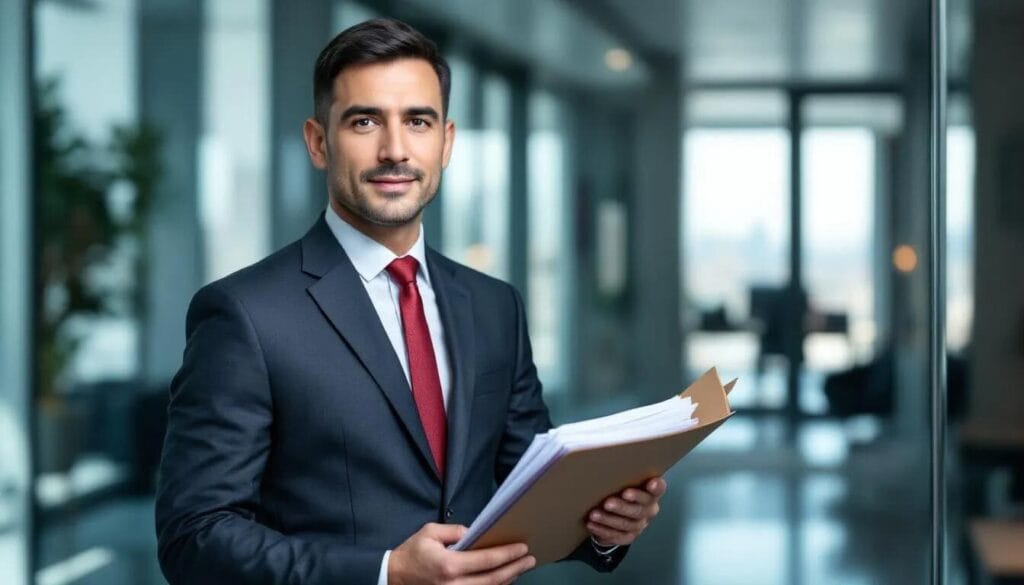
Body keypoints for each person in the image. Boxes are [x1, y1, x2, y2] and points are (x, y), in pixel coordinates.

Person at [155, 17, 666, 585]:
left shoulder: (495, 307)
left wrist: (602, 526)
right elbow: (194, 536)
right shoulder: (245, 314)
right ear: (319, 142)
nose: (394, 149)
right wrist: (387, 572)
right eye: (365, 121)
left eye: (417, 121)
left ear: (446, 142)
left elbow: (529, 488)